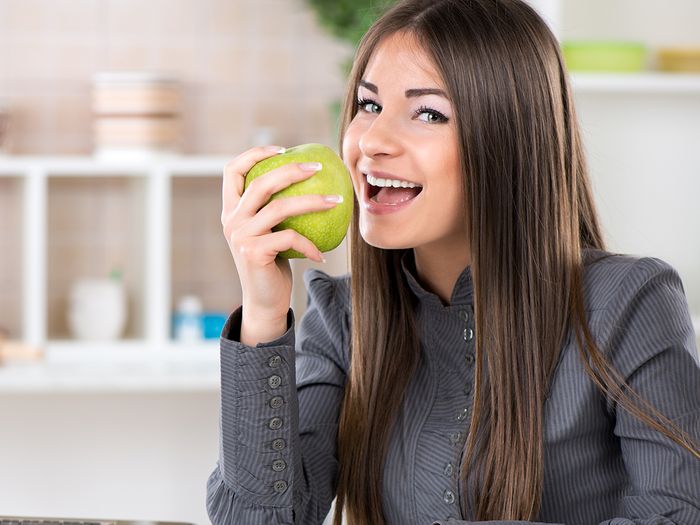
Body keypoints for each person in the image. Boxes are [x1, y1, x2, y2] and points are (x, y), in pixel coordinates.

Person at [207, 0, 700, 523]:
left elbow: (679, 513)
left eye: (429, 114)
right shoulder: (342, 320)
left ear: (508, 139)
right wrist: (262, 314)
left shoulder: (626, 304)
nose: (371, 141)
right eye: (369, 106)